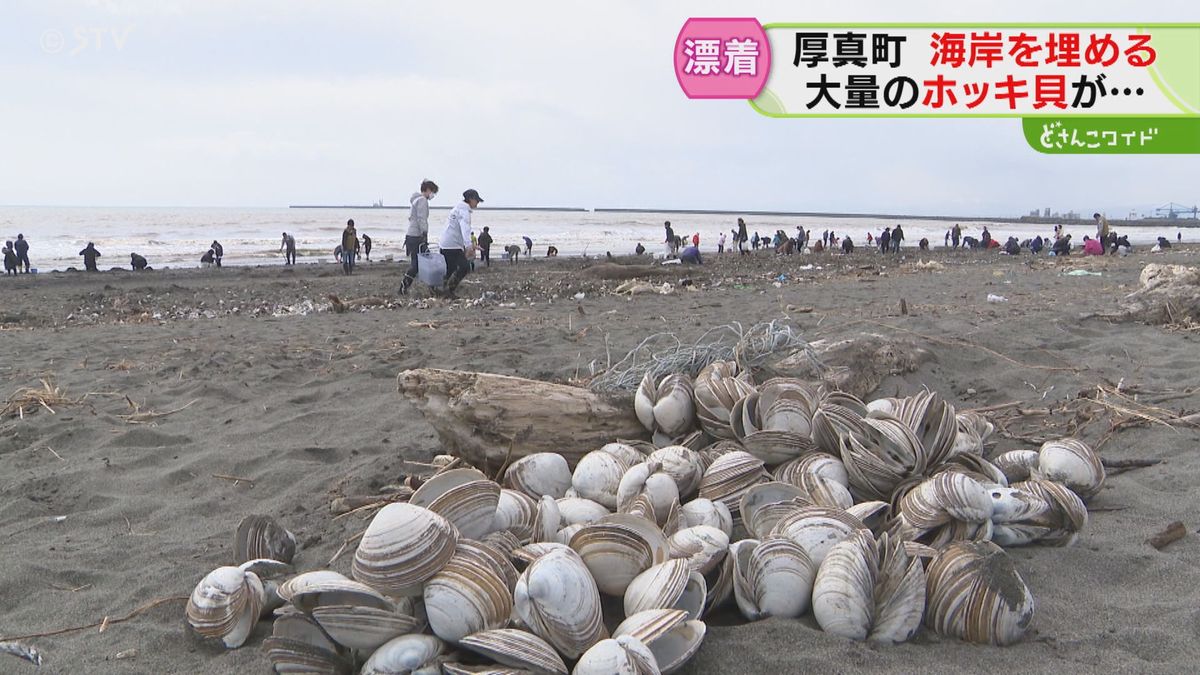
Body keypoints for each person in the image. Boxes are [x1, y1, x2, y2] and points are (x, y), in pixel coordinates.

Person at [438, 189, 483, 298]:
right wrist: (469, 247)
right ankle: (449, 291)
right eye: (477, 201)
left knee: (450, 268)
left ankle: (440, 289)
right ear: (471, 199)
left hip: (445, 243)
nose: (477, 203)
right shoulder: (464, 212)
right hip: (452, 244)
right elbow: (465, 229)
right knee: (464, 267)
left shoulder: (457, 209)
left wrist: (471, 245)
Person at [400, 179, 438, 295]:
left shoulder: (415, 201)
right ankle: (405, 286)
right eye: (432, 192)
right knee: (424, 263)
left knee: (417, 264)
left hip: (411, 236)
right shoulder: (422, 201)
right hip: (417, 236)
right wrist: (424, 233)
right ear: (427, 190)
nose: (433, 195)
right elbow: (422, 219)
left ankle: (405, 286)